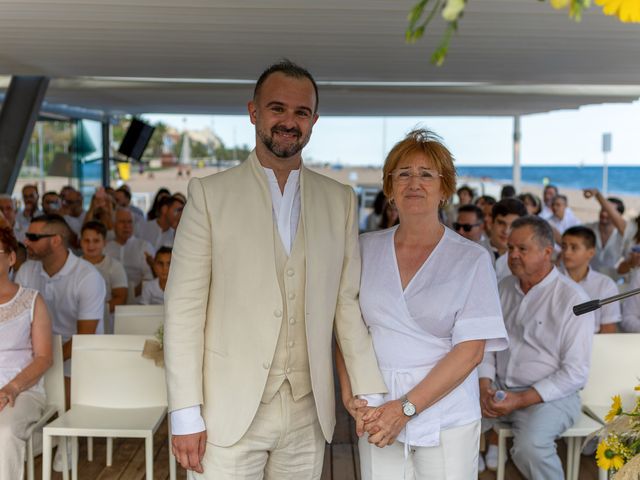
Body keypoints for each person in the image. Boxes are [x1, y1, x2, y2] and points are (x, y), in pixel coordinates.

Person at [164, 60, 386, 479]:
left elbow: (346, 305)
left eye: (301, 112)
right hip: (224, 412)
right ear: (254, 112)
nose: (289, 121)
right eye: (277, 108)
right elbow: (183, 311)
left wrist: (369, 391)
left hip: (308, 411)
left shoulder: (339, 199)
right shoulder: (210, 196)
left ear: (314, 121)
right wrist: (185, 414)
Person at [335, 130, 507, 480]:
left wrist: (406, 408)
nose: (414, 182)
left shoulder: (471, 259)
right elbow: (345, 327)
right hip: (376, 410)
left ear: (445, 189)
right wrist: (351, 395)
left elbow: (471, 351)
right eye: (403, 173)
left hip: (445, 415)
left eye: (427, 174)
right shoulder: (363, 249)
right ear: (389, 187)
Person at [479, 216, 593, 479]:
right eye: (510, 249)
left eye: (522, 249)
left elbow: (575, 373)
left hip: (550, 397)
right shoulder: (503, 288)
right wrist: (484, 385)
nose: (514, 256)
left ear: (547, 252)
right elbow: (488, 345)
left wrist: (520, 399)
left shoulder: (572, 299)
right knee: (452, 418)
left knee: (531, 448)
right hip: (498, 388)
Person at [15, 214, 106, 405]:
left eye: (33, 237)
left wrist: (44, 361)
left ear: (56, 240)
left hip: (77, 356)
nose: (26, 241)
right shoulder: (26, 270)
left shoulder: (87, 276)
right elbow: (17, 323)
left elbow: (84, 336)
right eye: (27, 235)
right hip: (36, 354)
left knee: (58, 398)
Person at [0, 227, 53, 479]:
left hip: (22, 389)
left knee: (5, 432)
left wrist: (11, 388)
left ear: (11, 258)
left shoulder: (32, 300)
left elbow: (44, 357)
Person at [559, 226, 620, 333]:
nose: (567, 252)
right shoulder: (550, 279)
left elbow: (608, 329)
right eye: (564, 247)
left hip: (593, 343)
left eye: (574, 247)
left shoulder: (605, 285)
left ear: (590, 253)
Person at [80, 221, 128, 334]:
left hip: (107, 321)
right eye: (86, 241)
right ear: (80, 242)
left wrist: (93, 312)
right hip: (76, 318)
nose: (90, 245)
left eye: (96, 241)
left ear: (104, 242)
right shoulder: (73, 265)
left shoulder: (115, 266)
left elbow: (121, 297)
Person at [104, 208, 154, 300]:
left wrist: (129, 296)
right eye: (122, 222)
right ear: (114, 224)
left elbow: (149, 276)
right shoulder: (106, 248)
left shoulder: (144, 246)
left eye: (130, 222)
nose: (126, 226)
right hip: (110, 300)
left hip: (139, 300)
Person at [582, 188, 629, 279]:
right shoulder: (587, 229)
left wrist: (597, 194)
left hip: (612, 280)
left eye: (608, 211)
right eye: (602, 209)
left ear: (618, 216)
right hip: (586, 278)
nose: (604, 214)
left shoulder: (624, 234)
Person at [487, 198, 528, 281]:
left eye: (513, 225)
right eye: (501, 223)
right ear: (491, 223)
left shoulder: (527, 260)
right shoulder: (473, 251)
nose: (506, 231)